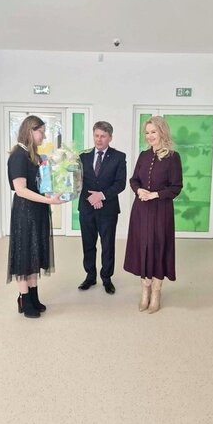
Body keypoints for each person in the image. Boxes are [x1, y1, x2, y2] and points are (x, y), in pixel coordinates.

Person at [7, 115, 65, 319]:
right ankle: (24, 299)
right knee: (24, 255)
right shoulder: (18, 156)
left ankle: (33, 296)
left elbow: (42, 185)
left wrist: (55, 193)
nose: (44, 136)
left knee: (34, 254)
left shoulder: (34, 156)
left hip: (38, 211)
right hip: (25, 213)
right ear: (30, 131)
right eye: (41, 131)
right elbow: (21, 190)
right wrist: (49, 201)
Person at [124, 116, 183, 313]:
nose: (149, 136)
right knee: (143, 247)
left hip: (161, 210)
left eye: (153, 132)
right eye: (147, 132)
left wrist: (156, 194)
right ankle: (145, 291)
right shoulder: (143, 155)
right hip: (141, 210)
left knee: (158, 248)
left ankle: (156, 293)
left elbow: (176, 187)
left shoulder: (173, 157)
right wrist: (138, 190)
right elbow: (134, 180)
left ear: (162, 132)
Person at [78, 121, 126, 295]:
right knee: (88, 244)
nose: (99, 139)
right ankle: (90, 276)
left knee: (107, 245)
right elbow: (78, 181)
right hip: (86, 208)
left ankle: (107, 278)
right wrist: (92, 198)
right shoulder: (83, 156)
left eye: (103, 136)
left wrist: (102, 195)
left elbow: (120, 183)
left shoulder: (119, 157)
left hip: (108, 210)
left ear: (110, 138)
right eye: (96, 135)